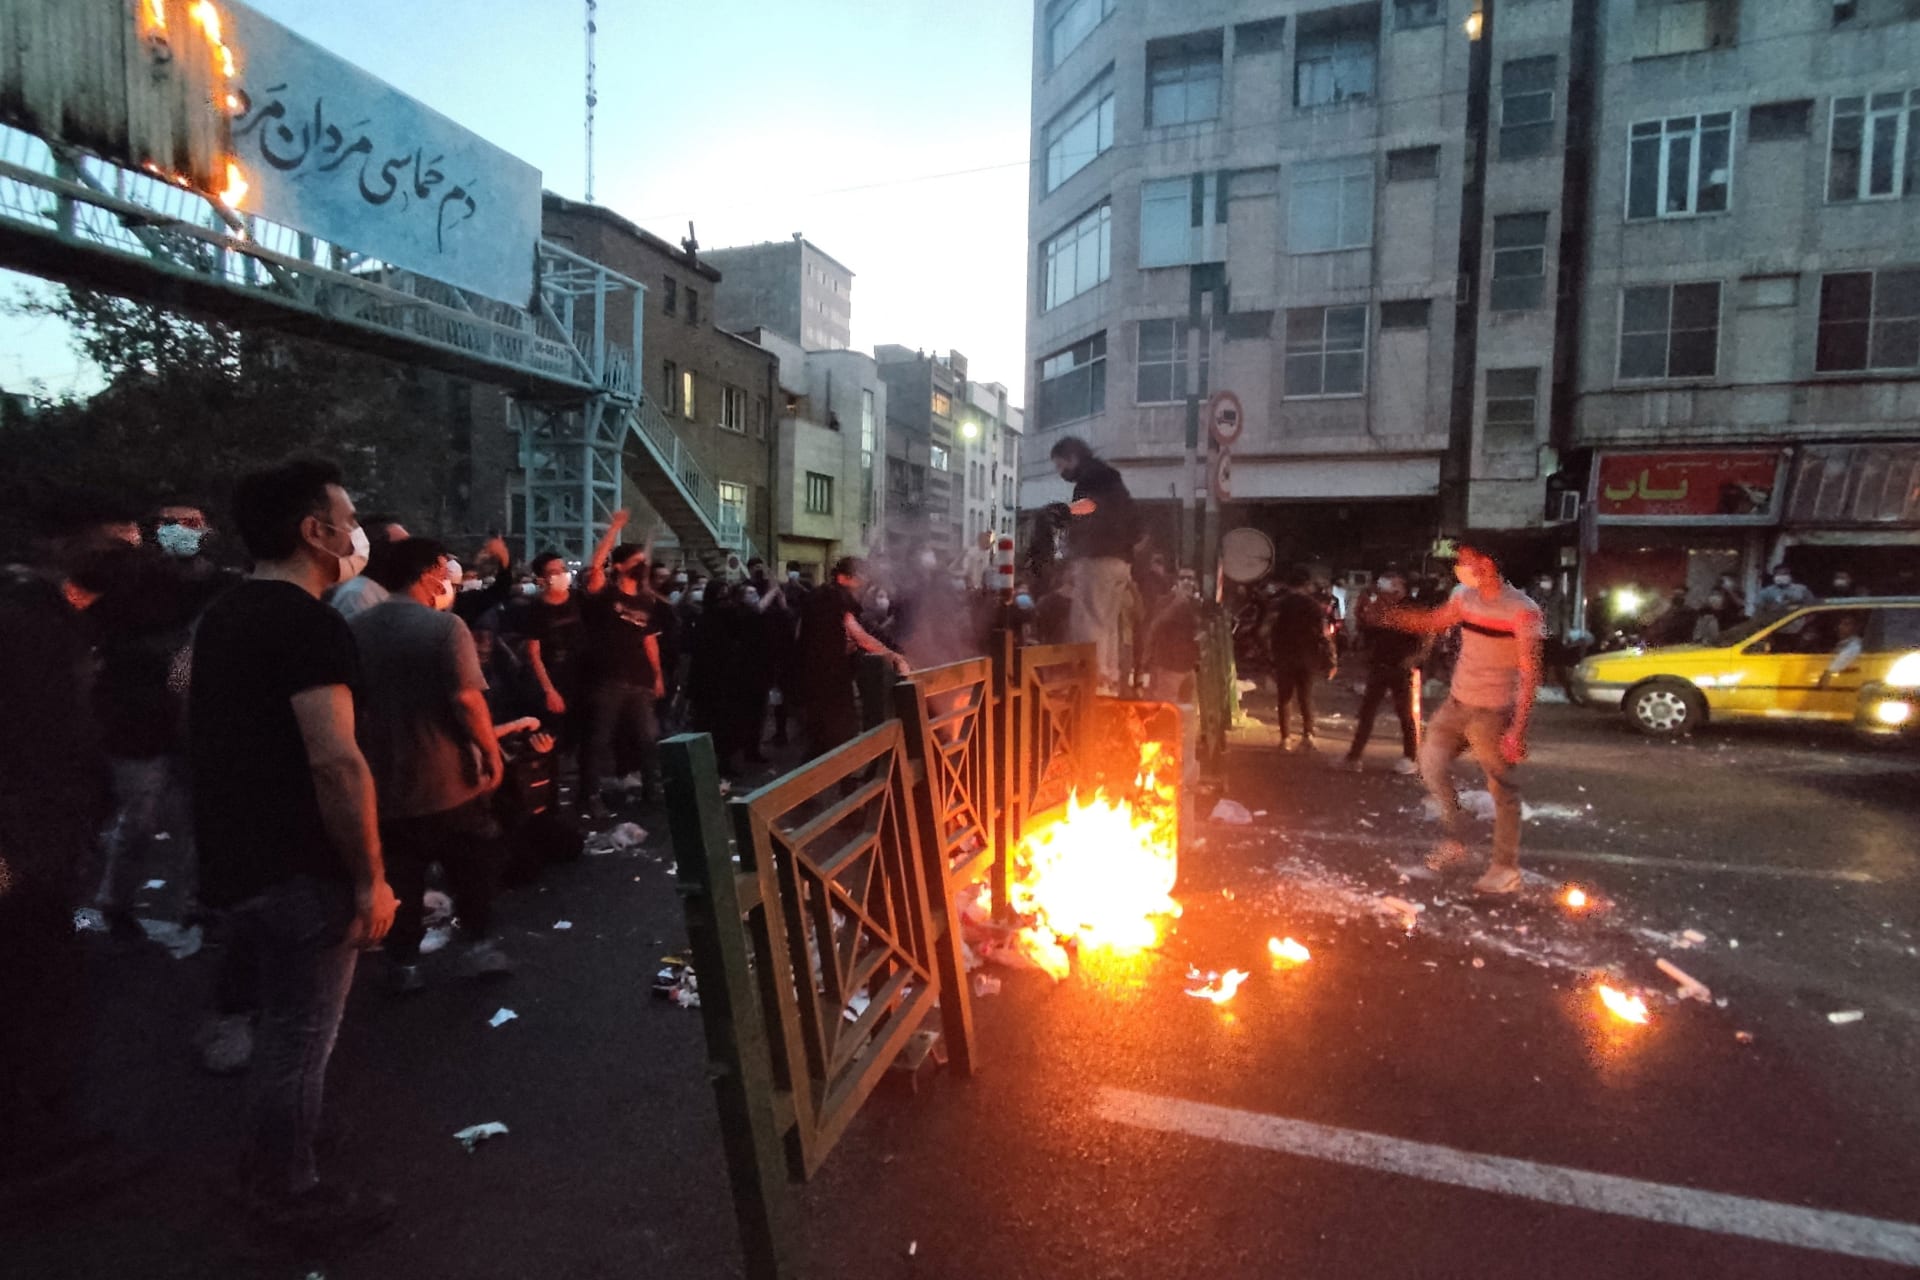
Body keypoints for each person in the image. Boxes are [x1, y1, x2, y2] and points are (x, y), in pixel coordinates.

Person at [188, 457, 396, 1235]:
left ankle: (283, 1145)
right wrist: (372, 878)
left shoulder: (225, 614)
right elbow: (335, 759)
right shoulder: (308, 624)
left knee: (283, 1027)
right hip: (300, 868)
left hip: (237, 857)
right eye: (346, 517)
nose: (354, 531)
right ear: (315, 531)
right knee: (300, 1037)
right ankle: (286, 1192)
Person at [348, 538, 508, 991]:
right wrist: (490, 753)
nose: (446, 576)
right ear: (424, 573)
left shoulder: (357, 629)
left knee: (401, 876)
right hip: (447, 779)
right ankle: (478, 948)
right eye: (442, 567)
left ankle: (403, 965)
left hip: (384, 779)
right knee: (470, 867)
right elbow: (466, 699)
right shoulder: (444, 629)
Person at [1377, 543, 1542, 896]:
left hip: (1493, 711)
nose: (1461, 566)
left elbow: (1530, 674)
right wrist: (1391, 615)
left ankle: (1504, 867)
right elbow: (1434, 621)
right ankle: (1457, 840)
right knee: (1430, 765)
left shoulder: (1523, 611)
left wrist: (1518, 730)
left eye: (1468, 559)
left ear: (1489, 562)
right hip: (1457, 703)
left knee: (1502, 790)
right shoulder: (1463, 596)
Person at [577, 521, 668, 817]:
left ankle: (652, 790)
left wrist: (657, 675)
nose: (642, 565)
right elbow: (594, 568)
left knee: (648, 738)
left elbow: (649, 642)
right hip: (609, 679)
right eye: (636, 561)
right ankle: (590, 796)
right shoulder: (606, 594)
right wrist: (614, 528)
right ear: (618, 566)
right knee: (599, 740)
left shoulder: (645, 601)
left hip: (640, 680)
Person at [792, 557, 908, 756]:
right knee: (839, 734)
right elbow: (860, 636)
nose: (864, 583)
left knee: (821, 736)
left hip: (816, 676)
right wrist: (894, 657)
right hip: (829, 678)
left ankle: (826, 778)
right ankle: (841, 781)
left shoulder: (821, 597)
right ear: (844, 578)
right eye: (860, 577)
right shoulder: (835, 599)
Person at [1050, 437, 1136, 692]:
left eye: (1060, 465)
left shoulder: (1089, 480)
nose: (1060, 472)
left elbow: (1089, 510)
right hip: (1121, 559)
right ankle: (1109, 678)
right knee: (1108, 622)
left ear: (1072, 458)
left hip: (1098, 557)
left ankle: (1094, 683)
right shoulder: (1112, 478)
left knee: (1089, 619)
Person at [1343, 573, 1426, 774]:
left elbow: (1426, 635)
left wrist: (1415, 659)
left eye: (1388, 592)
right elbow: (1370, 630)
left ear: (1399, 589)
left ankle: (1410, 757)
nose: (1384, 596)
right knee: (1367, 712)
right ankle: (1354, 757)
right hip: (1380, 665)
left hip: (1401, 667)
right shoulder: (1382, 607)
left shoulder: (1413, 608)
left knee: (1405, 714)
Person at [1264, 567, 1335, 752]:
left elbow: (1263, 631)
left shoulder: (1278, 605)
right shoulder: (1314, 607)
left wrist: (1268, 655)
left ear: (1288, 584)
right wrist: (1331, 661)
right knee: (1305, 697)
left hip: (1284, 656)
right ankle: (1308, 736)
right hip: (1307, 657)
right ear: (1307, 585)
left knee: (1284, 698)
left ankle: (1285, 739)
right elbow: (1325, 635)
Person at [1820, 613, 1866, 686]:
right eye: (1840, 624)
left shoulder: (1854, 646)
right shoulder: (1842, 644)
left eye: (1846, 624)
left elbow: (1831, 670)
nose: (1840, 627)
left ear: (1856, 627)